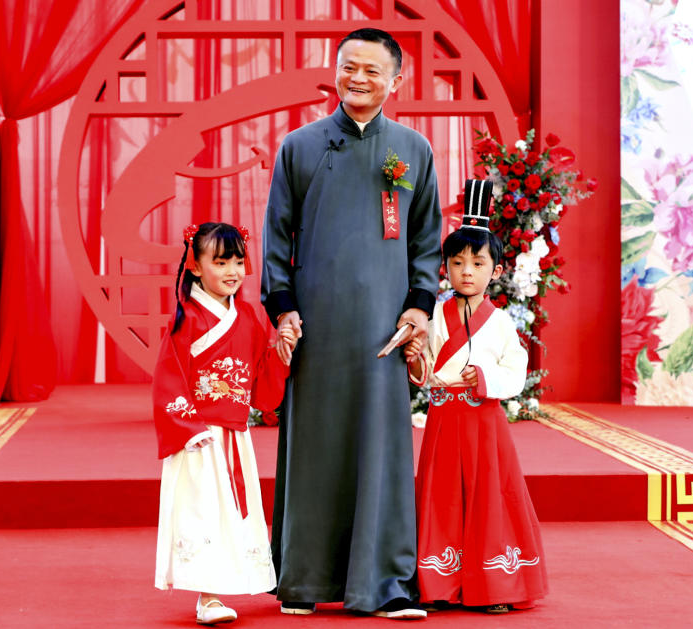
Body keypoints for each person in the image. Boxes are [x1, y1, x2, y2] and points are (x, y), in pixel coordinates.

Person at [261, 28, 442, 618]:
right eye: (348, 67)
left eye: (371, 70)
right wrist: (283, 309)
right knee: (313, 446)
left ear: (397, 80)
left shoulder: (413, 150)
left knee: (382, 449)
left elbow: (426, 241)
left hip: (385, 331)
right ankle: (303, 580)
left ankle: (385, 584)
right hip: (316, 326)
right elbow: (275, 238)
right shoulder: (301, 146)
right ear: (334, 72)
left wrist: (419, 307)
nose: (357, 79)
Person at [404, 179, 548, 614]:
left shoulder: (501, 323)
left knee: (489, 497)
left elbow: (515, 372)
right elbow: (423, 372)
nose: (467, 271)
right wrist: (415, 362)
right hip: (444, 420)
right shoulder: (432, 316)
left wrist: (483, 377)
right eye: (458, 262)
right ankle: (439, 583)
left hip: (484, 423)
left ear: (496, 271)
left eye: (478, 262)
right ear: (444, 267)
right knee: (441, 496)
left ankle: (494, 586)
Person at [153, 222, 297, 625]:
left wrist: (281, 352)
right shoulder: (186, 320)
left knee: (234, 512)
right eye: (220, 262)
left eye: (238, 261)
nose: (233, 270)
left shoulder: (247, 317)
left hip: (235, 437)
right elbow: (168, 379)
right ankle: (208, 597)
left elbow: (262, 392)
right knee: (203, 511)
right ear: (195, 267)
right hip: (198, 436)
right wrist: (189, 430)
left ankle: (238, 581)